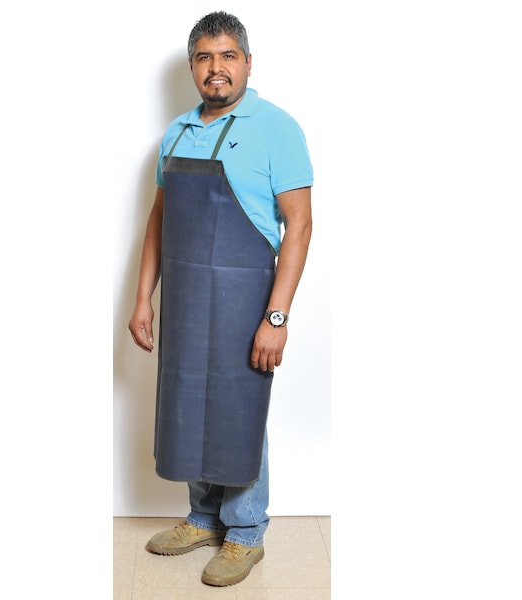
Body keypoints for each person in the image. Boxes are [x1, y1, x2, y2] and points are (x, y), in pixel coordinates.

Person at [128, 11, 313, 587]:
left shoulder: (277, 128)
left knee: (238, 405)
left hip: (245, 295)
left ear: (248, 63)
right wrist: (143, 298)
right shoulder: (177, 132)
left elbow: (300, 225)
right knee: (187, 397)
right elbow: (158, 218)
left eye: (228, 55)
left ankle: (246, 530)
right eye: (205, 57)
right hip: (185, 299)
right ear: (193, 67)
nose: (217, 68)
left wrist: (276, 316)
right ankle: (204, 517)